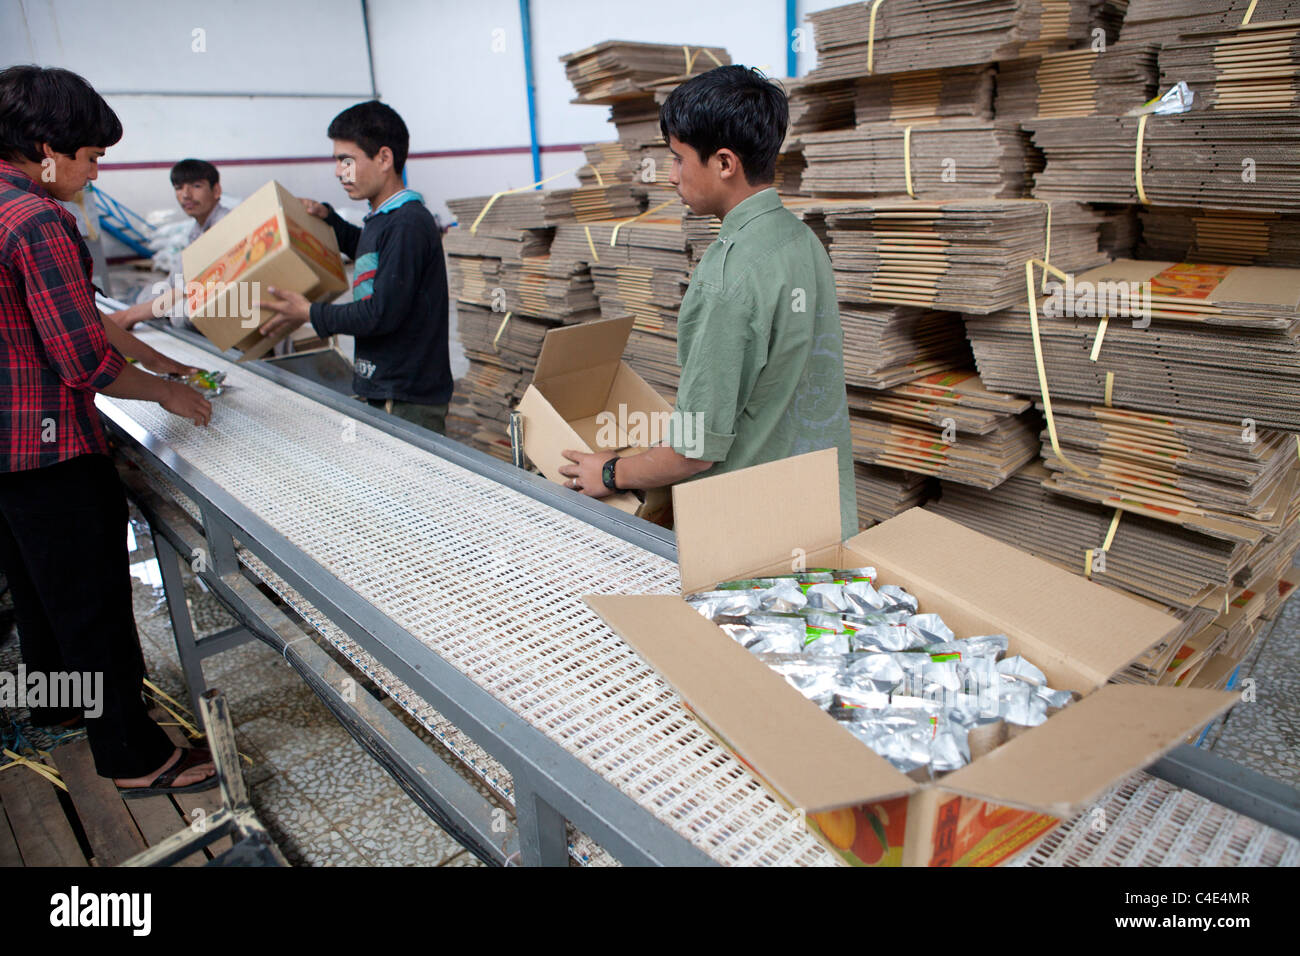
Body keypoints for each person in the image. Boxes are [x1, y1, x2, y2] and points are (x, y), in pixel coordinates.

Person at [0, 65, 217, 795]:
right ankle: (133, 757)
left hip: (6, 458)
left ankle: (58, 712)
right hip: (51, 454)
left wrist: (150, 351)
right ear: (46, 147)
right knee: (92, 605)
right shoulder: (38, 221)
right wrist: (167, 396)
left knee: (40, 593)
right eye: (92, 158)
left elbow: (69, 315)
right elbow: (81, 358)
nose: (95, 174)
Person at [559, 66, 858, 538]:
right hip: (819, 518)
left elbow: (693, 452)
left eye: (678, 159)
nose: (671, 176)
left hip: (752, 539)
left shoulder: (727, 278)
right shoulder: (801, 241)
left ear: (724, 163)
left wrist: (610, 471)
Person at [257, 101, 453, 434]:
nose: (338, 171)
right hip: (385, 386)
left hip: (404, 397)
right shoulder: (384, 219)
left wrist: (310, 313)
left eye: (346, 160)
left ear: (384, 158)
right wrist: (330, 220)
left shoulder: (408, 223)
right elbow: (371, 250)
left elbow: (380, 314)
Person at [110, 158, 230, 331]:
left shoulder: (224, 225)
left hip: (225, 299)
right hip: (193, 291)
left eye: (196, 186)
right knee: (150, 294)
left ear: (216, 190)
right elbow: (176, 280)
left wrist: (129, 315)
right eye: (179, 188)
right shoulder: (196, 230)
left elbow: (191, 287)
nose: (186, 195)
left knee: (181, 313)